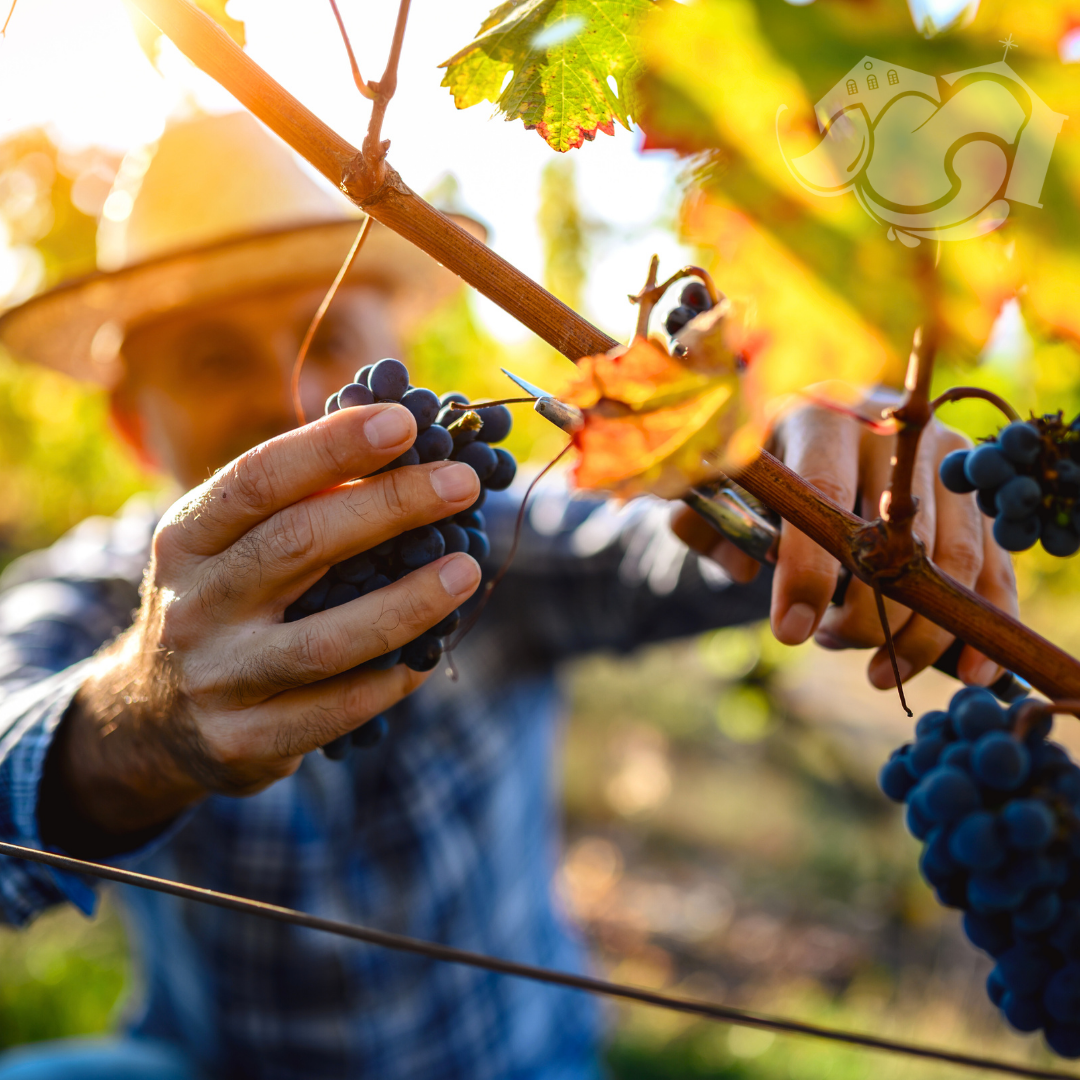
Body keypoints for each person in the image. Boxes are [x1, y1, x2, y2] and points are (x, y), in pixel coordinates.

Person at [0, 112, 1016, 1080]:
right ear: (134, 427)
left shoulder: (491, 537)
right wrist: (135, 722)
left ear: (395, 350)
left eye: (331, 337)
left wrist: (808, 474)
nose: (296, 398)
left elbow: (670, 551)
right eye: (216, 358)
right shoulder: (99, 599)